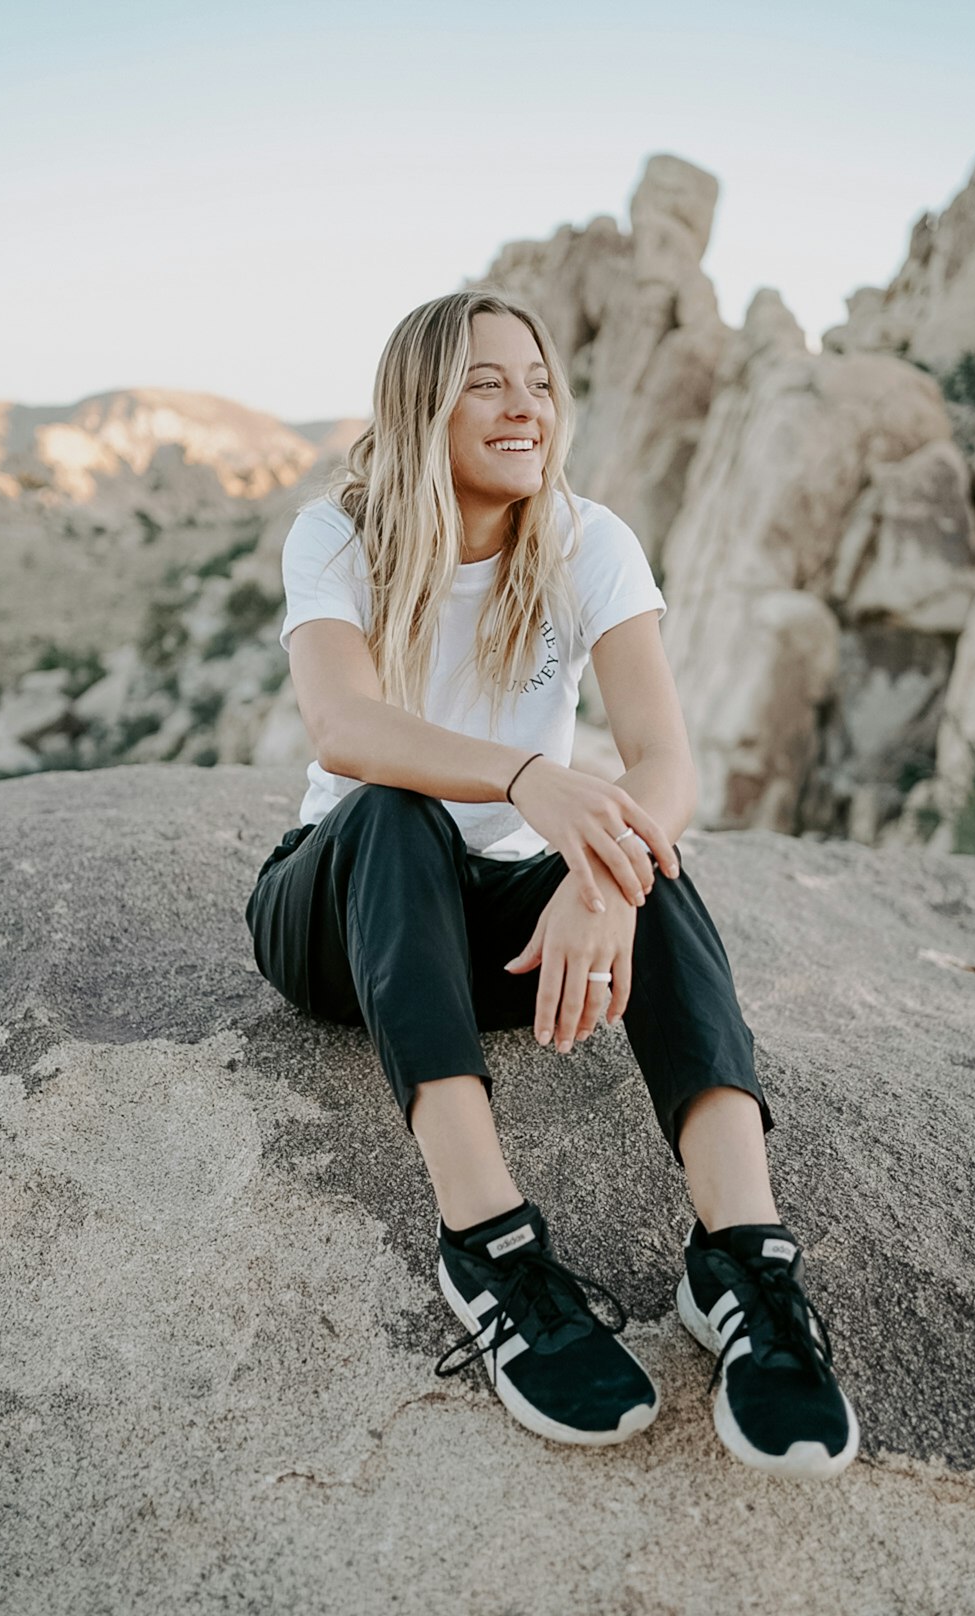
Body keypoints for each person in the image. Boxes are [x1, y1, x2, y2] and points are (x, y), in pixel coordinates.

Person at [245, 289, 859, 1477]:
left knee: (653, 853)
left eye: (538, 379)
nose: (525, 404)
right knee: (396, 807)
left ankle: (742, 1255)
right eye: (488, 381)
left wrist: (608, 881)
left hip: (503, 928)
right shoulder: (338, 533)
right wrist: (531, 779)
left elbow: (668, 761)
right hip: (344, 914)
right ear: (425, 400)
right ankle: (491, 1243)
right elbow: (341, 725)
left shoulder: (586, 540)